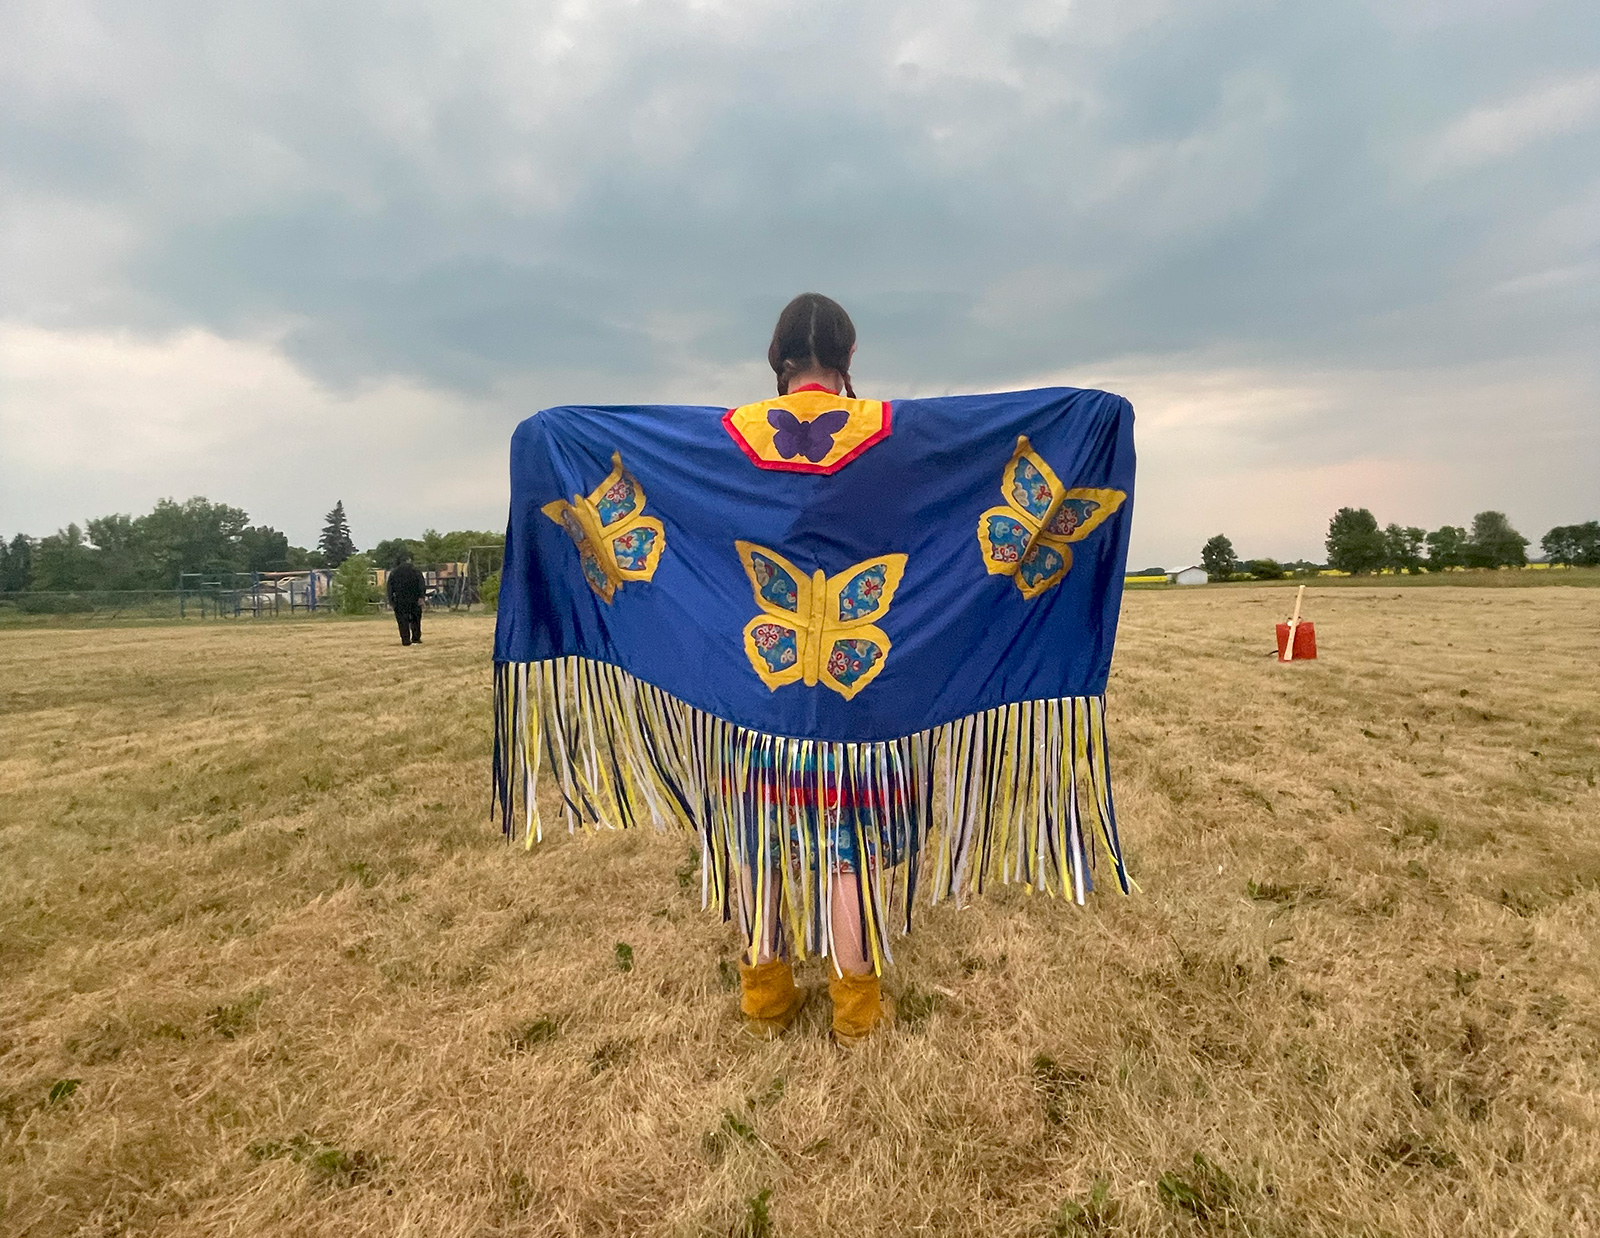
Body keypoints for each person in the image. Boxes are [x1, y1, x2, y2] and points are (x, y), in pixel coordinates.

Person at [736, 293, 901, 1046]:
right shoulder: (888, 435)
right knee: (844, 852)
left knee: (761, 841)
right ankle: (855, 1012)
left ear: (777, 359)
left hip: (762, 685)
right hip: (851, 686)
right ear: (850, 357)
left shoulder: (730, 437)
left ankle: (766, 996)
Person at [386, 553, 426, 646]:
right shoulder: (416, 571)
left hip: (400, 600)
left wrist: (391, 601)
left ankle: (405, 639)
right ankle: (416, 638)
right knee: (415, 619)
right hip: (414, 599)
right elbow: (422, 585)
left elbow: (389, 588)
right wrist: (421, 597)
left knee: (402, 620)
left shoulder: (394, 573)